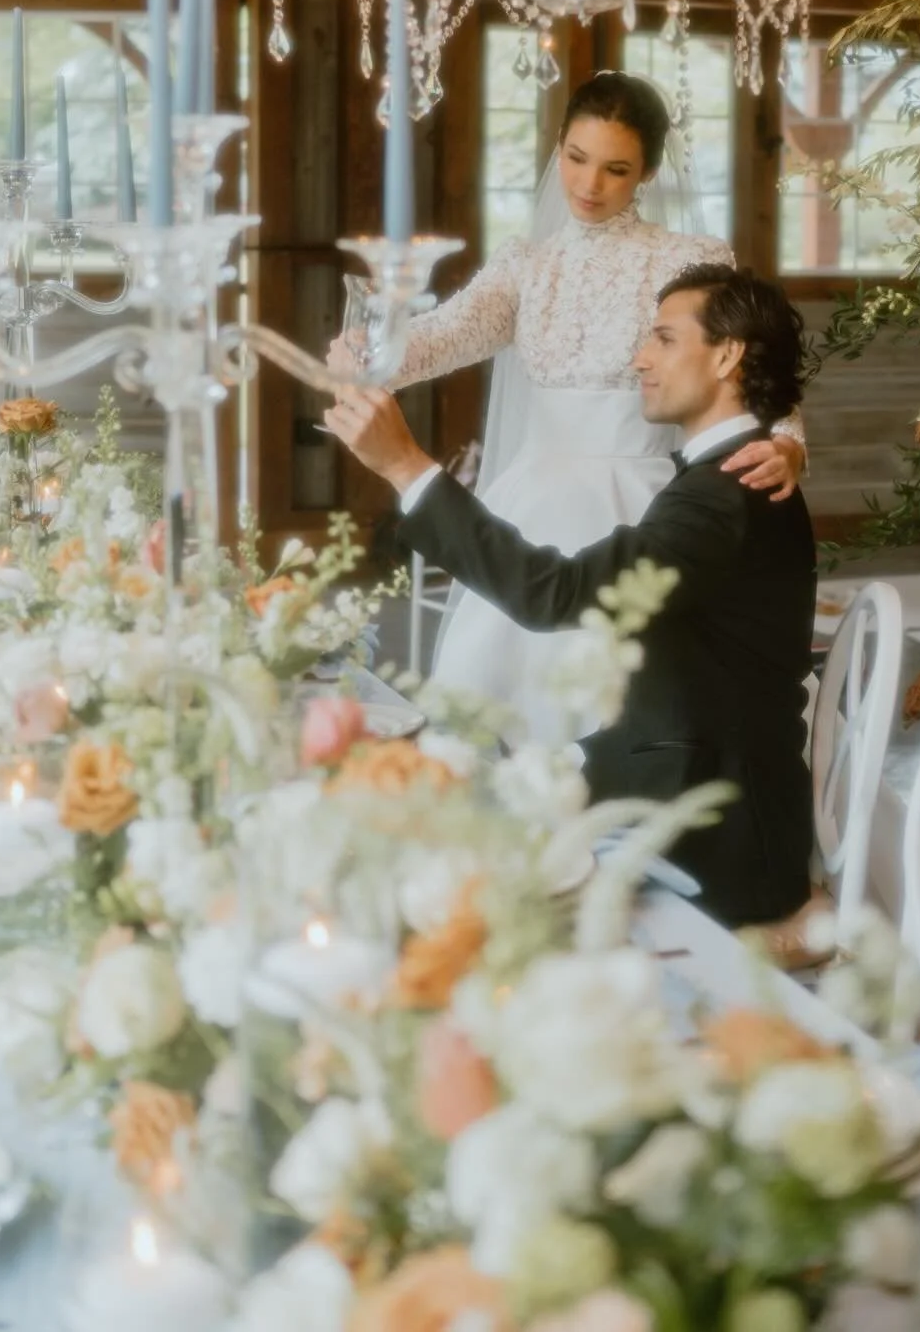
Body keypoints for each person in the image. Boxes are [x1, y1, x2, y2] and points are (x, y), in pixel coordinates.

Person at [328, 263, 816, 930]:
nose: (639, 357)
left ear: (728, 353)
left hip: (714, 836)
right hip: (678, 769)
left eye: (664, 339)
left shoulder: (723, 494)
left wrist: (404, 465)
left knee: (440, 880)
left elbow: (555, 594)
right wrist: (571, 764)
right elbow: (688, 686)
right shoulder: (723, 476)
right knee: (444, 811)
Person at [357, 71, 805, 740]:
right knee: (490, 707)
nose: (590, 186)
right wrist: (369, 346)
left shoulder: (690, 260)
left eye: (616, 169)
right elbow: (438, 339)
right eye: (576, 158)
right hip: (531, 505)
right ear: (557, 148)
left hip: (642, 505)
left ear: (648, 171)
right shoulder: (525, 265)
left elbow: (751, 359)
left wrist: (790, 439)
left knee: (614, 703)